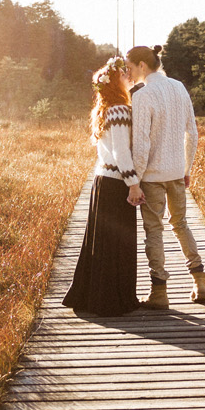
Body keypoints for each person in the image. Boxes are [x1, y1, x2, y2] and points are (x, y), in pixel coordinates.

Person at [124, 43, 205, 308]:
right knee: (181, 225)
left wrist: (134, 180)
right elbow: (191, 133)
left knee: (154, 231)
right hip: (175, 173)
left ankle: (159, 292)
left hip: (152, 176)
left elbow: (142, 143)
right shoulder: (179, 87)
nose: (128, 72)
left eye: (129, 67)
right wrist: (186, 170)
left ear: (142, 66)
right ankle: (199, 280)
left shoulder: (143, 94)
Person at [62, 56, 141, 317]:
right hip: (116, 182)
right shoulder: (119, 110)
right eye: (123, 74)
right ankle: (112, 299)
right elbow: (120, 152)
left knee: (104, 242)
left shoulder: (105, 109)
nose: (128, 76)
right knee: (118, 242)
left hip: (102, 181)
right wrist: (133, 183)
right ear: (113, 82)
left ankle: (95, 295)